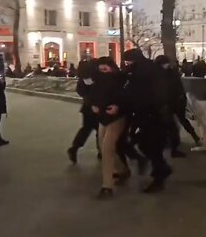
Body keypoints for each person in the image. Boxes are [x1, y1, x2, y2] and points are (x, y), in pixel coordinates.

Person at [122, 49, 172, 193]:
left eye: (128, 61)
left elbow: (147, 93)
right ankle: (161, 170)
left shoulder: (143, 71)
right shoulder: (146, 68)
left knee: (151, 146)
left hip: (151, 114)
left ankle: (160, 176)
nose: (127, 64)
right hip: (149, 114)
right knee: (146, 144)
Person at [89, 57, 128, 199]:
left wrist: (118, 106)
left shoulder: (120, 80)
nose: (103, 73)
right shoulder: (97, 81)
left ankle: (107, 186)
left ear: (112, 68)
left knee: (107, 148)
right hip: (103, 118)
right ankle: (122, 169)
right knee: (104, 146)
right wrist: (93, 104)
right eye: (101, 70)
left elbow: (126, 97)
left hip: (117, 118)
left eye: (106, 69)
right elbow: (90, 94)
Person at [155, 55, 199, 158]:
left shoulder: (164, 73)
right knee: (175, 123)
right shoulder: (170, 73)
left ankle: (191, 138)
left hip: (172, 102)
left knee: (174, 122)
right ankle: (191, 138)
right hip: (172, 101)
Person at [67, 59, 101, 164]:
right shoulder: (95, 77)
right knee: (99, 129)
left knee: (87, 129)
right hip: (95, 107)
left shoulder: (83, 78)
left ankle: (75, 147)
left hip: (87, 108)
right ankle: (101, 151)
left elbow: (81, 91)